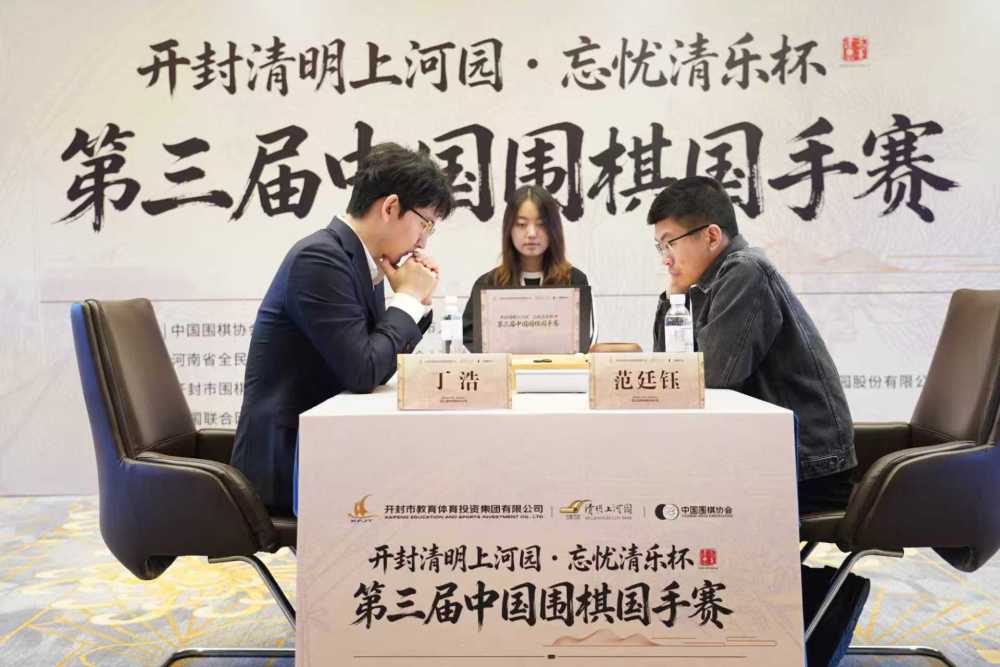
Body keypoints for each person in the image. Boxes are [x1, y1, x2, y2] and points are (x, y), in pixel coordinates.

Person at [231, 142, 454, 513]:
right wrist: (408, 299)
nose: (423, 240)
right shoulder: (320, 258)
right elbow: (364, 370)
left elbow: (378, 364)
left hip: (327, 450)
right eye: (425, 223)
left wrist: (415, 301)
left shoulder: (358, 260)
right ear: (390, 207)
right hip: (288, 464)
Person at [648, 176, 856, 514]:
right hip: (767, 459)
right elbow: (669, 373)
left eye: (670, 243)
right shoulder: (709, 283)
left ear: (711, 236)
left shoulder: (744, 271)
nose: (665, 259)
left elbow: (711, 381)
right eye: (660, 247)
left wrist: (678, 299)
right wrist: (674, 299)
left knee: (672, 507)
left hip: (806, 470)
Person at [462, 185, 589, 352]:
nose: (531, 233)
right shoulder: (489, 284)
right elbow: (469, 341)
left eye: (541, 224)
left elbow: (582, 343)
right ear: (509, 229)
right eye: (521, 224)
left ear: (553, 229)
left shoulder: (574, 281)